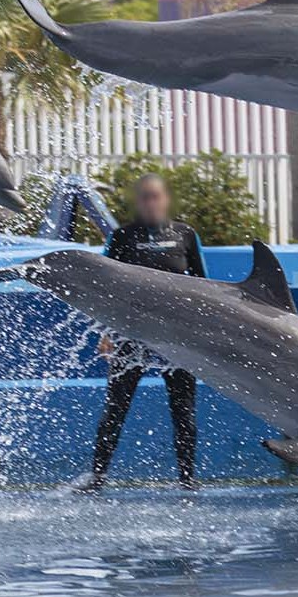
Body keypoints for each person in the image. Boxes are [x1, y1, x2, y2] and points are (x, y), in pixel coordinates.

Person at [74, 173, 206, 492]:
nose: (151, 203)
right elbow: (103, 287)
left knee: (183, 409)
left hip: (176, 337)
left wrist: (199, 335)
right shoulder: (122, 237)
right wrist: (106, 331)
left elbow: (203, 286)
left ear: (166, 199)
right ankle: (98, 476)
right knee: (116, 407)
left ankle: (188, 479)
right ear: (139, 202)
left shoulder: (185, 235)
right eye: (145, 197)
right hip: (130, 336)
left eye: (156, 196)